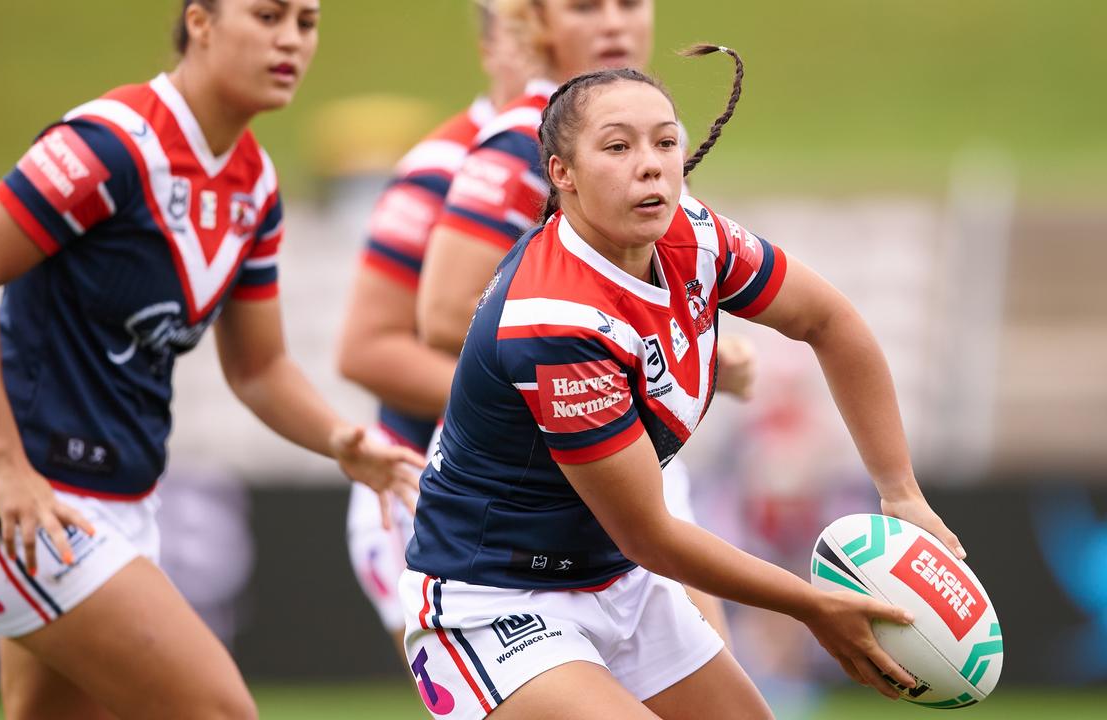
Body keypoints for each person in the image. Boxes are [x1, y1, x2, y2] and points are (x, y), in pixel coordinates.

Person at [400, 61, 967, 719]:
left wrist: (902, 494)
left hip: (617, 580)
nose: (651, 165)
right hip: (494, 599)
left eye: (665, 142)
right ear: (563, 174)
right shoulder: (554, 321)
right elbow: (652, 536)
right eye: (618, 146)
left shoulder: (692, 234)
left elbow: (829, 321)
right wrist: (814, 606)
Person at [0, 2, 420, 718]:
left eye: (306, 23)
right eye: (269, 15)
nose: (290, 40)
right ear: (201, 21)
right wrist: (7, 465)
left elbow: (259, 369)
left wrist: (342, 441)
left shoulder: (255, 184)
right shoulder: (110, 143)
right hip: (28, 503)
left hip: (121, 505)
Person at [415, 0, 750, 644]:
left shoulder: (643, 137)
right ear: (535, 22)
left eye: (629, 4)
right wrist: (596, 375)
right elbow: (442, 316)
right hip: (530, 485)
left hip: (626, 443)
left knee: (713, 671)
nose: (614, 25)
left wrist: (691, 347)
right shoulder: (522, 135)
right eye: (585, 7)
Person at [336, 0, 531, 654]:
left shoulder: (606, 150)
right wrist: (548, 402)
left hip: (559, 484)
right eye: (522, 25)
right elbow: (366, 348)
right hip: (434, 488)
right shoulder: (443, 164)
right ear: (490, 46)